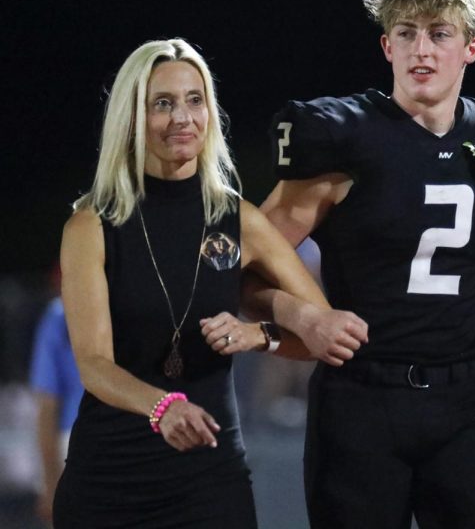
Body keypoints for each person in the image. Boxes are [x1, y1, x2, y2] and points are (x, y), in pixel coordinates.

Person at [255, 0, 475, 528]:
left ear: (471, 48)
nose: (423, 48)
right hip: (361, 397)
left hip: (463, 396)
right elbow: (246, 261)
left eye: (439, 33)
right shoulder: (344, 137)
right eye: (407, 33)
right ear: (386, 46)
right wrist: (301, 315)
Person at [54, 38, 367, 528]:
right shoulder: (90, 226)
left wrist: (257, 335)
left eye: (194, 100)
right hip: (109, 478)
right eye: (163, 103)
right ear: (132, 118)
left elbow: (320, 333)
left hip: (209, 478)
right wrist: (163, 407)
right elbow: (94, 365)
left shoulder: (238, 219)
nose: (183, 117)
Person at [29, 294, 83, 527]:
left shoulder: (59, 313)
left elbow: (47, 404)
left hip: (73, 442)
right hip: (128, 432)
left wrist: (50, 483)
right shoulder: (59, 315)